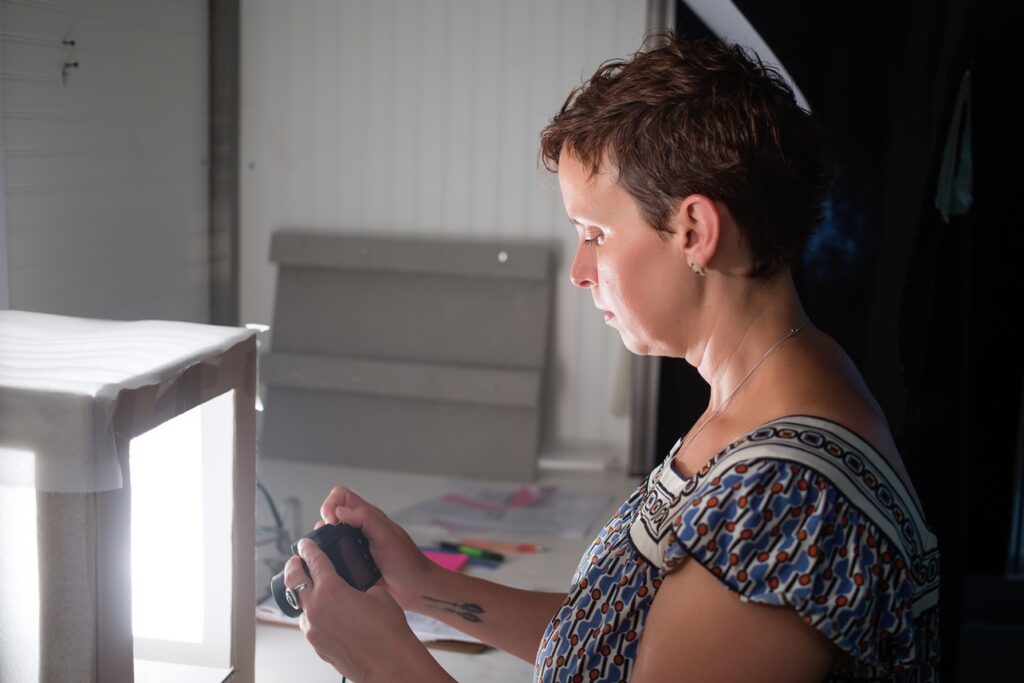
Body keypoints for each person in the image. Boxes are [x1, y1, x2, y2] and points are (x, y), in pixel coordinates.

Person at [283, 33, 940, 682]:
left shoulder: (789, 502)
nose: (578, 269)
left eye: (595, 234)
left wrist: (385, 663)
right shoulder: (763, 394)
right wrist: (424, 588)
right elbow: (618, 636)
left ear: (695, 231)